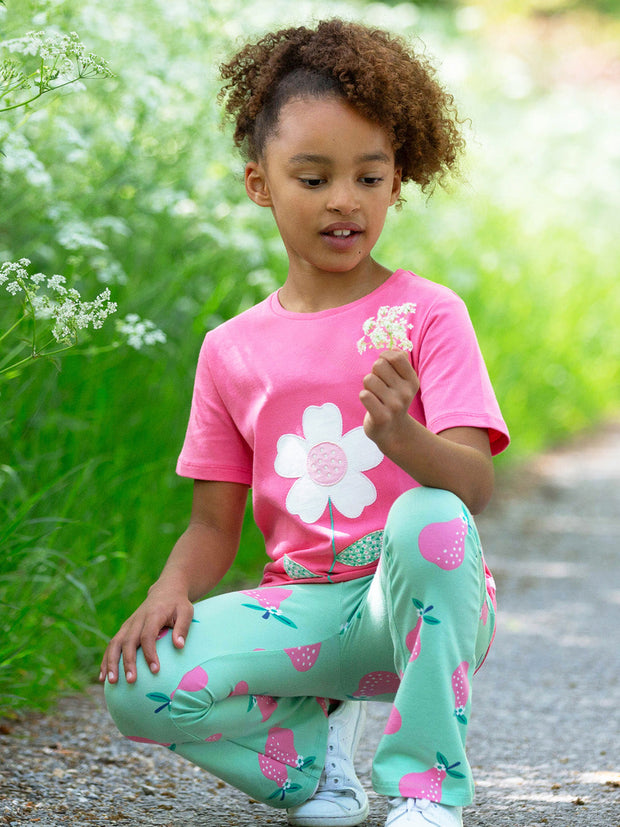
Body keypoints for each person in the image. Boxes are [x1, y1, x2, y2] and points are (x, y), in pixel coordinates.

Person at [101, 18, 509, 827]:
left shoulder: (429, 314)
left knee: (429, 513)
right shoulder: (231, 350)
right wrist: (169, 585)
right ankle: (309, 756)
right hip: (304, 614)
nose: (344, 201)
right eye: (313, 178)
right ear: (261, 183)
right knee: (134, 685)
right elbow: (212, 528)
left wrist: (403, 439)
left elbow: (473, 488)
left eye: (368, 175)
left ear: (398, 181)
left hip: (416, 607)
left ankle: (425, 788)